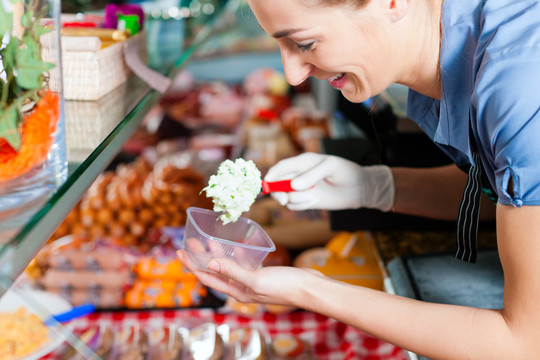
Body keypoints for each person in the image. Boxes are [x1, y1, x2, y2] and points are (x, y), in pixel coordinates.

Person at [178, 0, 540, 358]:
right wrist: (373, 186)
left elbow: (523, 343)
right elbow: (508, 195)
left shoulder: (519, 86)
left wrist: (310, 291)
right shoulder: (449, 52)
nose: (292, 74)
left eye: (304, 43)